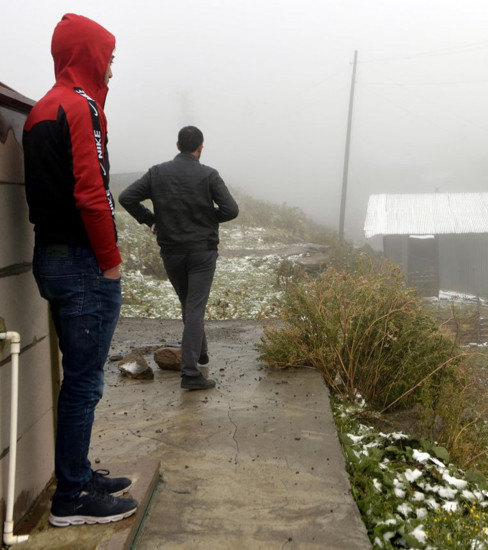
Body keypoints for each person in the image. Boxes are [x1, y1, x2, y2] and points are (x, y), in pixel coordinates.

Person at [23, 13, 139, 527]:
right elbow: (92, 193)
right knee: (85, 382)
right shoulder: (80, 106)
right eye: (108, 59)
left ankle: (78, 472)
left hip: (48, 255)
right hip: (82, 263)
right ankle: (72, 497)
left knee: (78, 379)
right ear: (89, 54)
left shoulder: (40, 110)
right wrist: (111, 263)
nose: (111, 70)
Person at [119, 126, 239, 391]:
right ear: (201, 147)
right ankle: (190, 373)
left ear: (177, 145)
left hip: (171, 251)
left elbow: (126, 197)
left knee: (188, 304)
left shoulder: (157, 173)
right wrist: (207, 218)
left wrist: (152, 221)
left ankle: (201, 354)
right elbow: (231, 210)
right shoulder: (209, 175)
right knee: (194, 307)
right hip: (202, 251)